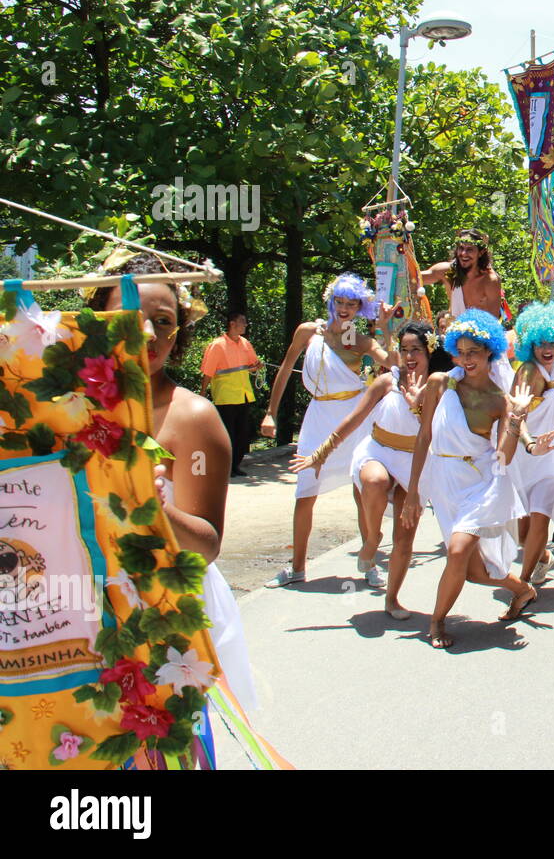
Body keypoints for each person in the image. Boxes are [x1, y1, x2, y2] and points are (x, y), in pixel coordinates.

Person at [88, 254, 257, 716]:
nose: (145, 334)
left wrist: (158, 506)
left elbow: (207, 544)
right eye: (127, 318)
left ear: (178, 331)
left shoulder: (194, 419)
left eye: (162, 321)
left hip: (166, 609)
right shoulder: (62, 410)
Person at [400, 309, 552, 648]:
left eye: (475, 352)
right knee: (471, 570)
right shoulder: (441, 383)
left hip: (482, 483)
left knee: (457, 550)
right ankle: (523, 589)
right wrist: (414, 492)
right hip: (444, 481)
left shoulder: (500, 400)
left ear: (490, 352)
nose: (467, 359)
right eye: (461, 352)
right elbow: (423, 438)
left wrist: (519, 423)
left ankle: (436, 623)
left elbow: (503, 457)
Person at [288, 322, 436, 619]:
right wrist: (320, 454)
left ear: (429, 352)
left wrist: (416, 490)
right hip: (378, 451)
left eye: (415, 350)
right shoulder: (385, 382)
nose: (409, 356)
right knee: (374, 481)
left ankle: (392, 599)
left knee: (405, 537)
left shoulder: (440, 386)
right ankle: (371, 539)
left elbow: (433, 435)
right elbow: (353, 421)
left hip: (416, 461)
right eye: (404, 349)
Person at [261, 273, 394, 588]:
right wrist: (270, 413)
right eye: (340, 301)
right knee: (304, 492)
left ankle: (370, 563)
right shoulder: (308, 331)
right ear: (331, 300)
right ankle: (296, 568)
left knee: (361, 491)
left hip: (354, 418)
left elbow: (394, 362)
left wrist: (387, 327)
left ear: (359, 308)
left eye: (351, 304)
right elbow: (284, 368)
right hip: (318, 416)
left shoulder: (359, 341)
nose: (345, 308)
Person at [507, 302, 554, 587]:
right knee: (523, 533)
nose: (548, 348)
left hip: (551, 455)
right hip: (525, 454)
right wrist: (531, 444)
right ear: (530, 345)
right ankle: (542, 557)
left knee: (540, 519)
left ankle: (522, 584)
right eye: (541, 343)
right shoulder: (528, 373)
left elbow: (551, 408)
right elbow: (515, 415)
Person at [199, 311, 263, 477]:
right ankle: (226, 467)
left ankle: (235, 465)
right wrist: (203, 393)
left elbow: (252, 364)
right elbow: (208, 371)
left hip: (243, 393)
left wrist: (257, 366)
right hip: (225, 395)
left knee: (242, 433)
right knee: (228, 433)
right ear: (232, 323)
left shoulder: (245, 343)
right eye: (243, 322)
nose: (245, 325)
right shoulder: (217, 345)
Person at [420, 229, 505, 318]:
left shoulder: (489, 280)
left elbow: (493, 321)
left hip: (481, 330)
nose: (464, 253)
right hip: (454, 328)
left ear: (481, 253)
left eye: (469, 250)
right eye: (461, 248)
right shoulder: (450, 273)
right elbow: (414, 279)